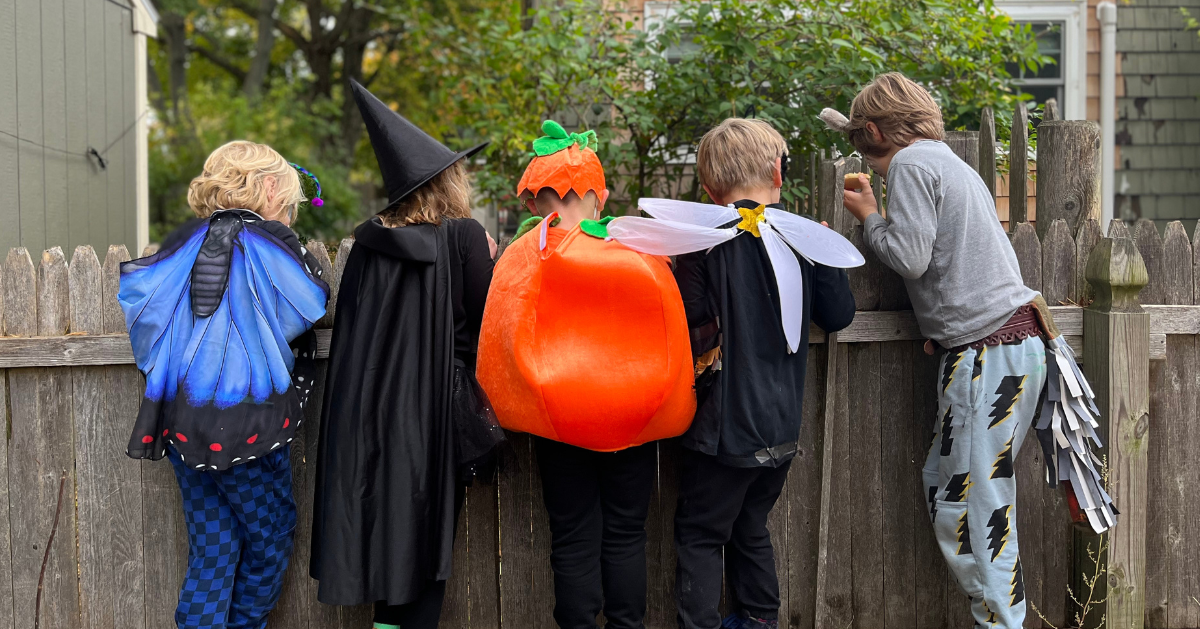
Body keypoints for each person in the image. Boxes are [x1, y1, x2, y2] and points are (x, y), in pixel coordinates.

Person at [825, 72, 1116, 629]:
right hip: (1012, 343)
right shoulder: (951, 164)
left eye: (869, 153)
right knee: (947, 484)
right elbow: (955, 263)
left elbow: (910, 257)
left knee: (972, 507)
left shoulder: (910, 164)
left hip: (990, 355)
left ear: (872, 132)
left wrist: (868, 217)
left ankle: (1002, 625)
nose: (878, 170)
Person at [477, 120, 696, 629]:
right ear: (598, 195)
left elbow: (500, 336)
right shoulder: (638, 248)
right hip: (636, 419)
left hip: (559, 421)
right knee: (625, 533)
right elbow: (672, 327)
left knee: (574, 534)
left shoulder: (525, 257)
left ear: (535, 199)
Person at [310, 80, 503, 629]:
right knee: (427, 555)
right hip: (439, 418)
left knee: (388, 551)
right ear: (449, 183)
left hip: (371, 420)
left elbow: (357, 335)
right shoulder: (464, 237)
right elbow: (488, 319)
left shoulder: (368, 247)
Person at [119, 141, 330, 629]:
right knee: (271, 535)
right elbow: (309, 304)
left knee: (213, 545)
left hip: (180, 420)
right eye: (289, 198)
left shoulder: (182, 244)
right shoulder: (271, 241)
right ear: (271, 187)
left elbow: (143, 311)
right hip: (247, 420)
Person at [670, 119, 856, 629]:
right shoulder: (799, 238)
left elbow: (686, 322)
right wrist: (823, 251)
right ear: (778, 170)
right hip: (781, 425)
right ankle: (759, 621)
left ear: (708, 189)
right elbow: (838, 316)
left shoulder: (698, 243)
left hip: (721, 427)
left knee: (702, 534)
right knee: (751, 526)